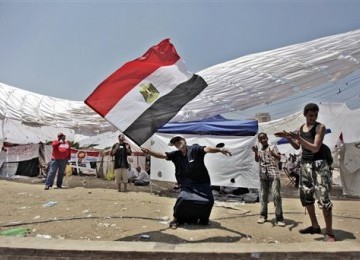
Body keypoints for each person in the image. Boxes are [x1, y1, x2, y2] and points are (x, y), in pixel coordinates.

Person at [141, 135, 231, 229]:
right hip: (187, 184)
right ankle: (176, 219)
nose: (177, 143)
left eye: (179, 140)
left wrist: (219, 150)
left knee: (209, 201)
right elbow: (162, 155)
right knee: (183, 199)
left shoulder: (195, 149)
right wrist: (149, 152)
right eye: (175, 142)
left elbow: (207, 149)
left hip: (202, 182)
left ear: (184, 141)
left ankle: (203, 220)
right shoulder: (175, 155)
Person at [284, 103, 335, 242]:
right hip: (305, 164)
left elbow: (314, 148)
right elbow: (297, 146)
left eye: (315, 115)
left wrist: (299, 138)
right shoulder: (301, 128)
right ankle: (315, 226)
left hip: (319, 164)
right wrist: (289, 139)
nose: (313, 117)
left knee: (324, 198)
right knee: (306, 197)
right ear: (305, 114)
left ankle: (329, 232)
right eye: (310, 115)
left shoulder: (320, 127)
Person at [252, 132, 286, 227]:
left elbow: (279, 158)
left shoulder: (273, 147)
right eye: (261, 139)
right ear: (259, 141)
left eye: (264, 138)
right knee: (263, 196)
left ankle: (279, 218)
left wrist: (273, 153)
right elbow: (257, 160)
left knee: (276, 196)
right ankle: (263, 215)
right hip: (263, 175)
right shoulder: (259, 150)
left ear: (267, 138)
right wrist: (255, 152)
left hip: (274, 174)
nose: (263, 140)